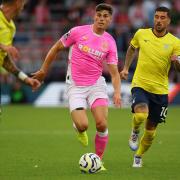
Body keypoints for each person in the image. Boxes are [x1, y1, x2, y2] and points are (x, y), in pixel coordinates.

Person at [32, 3, 122, 170]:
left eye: (106, 16)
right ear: (94, 16)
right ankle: (79, 129)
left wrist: (117, 92)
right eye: (99, 15)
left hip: (96, 84)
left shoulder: (110, 42)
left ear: (110, 19)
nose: (102, 19)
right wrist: (43, 70)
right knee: (83, 125)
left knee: (102, 124)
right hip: (75, 85)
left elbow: (115, 73)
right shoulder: (78, 32)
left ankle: (98, 160)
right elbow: (56, 48)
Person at [120, 6, 180, 167]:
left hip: (160, 90)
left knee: (151, 131)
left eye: (162, 18)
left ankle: (138, 156)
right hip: (140, 84)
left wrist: (177, 61)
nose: (159, 20)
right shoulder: (141, 33)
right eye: (156, 17)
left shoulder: (175, 42)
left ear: (168, 20)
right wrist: (125, 68)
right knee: (140, 115)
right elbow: (132, 49)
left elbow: (178, 68)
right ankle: (134, 131)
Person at [0, 0, 40, 91]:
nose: (23, 7)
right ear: (17, 2)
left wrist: (25, 79)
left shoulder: (12, 27)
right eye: (23, 3)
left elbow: (4, 60)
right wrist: (4, 46)